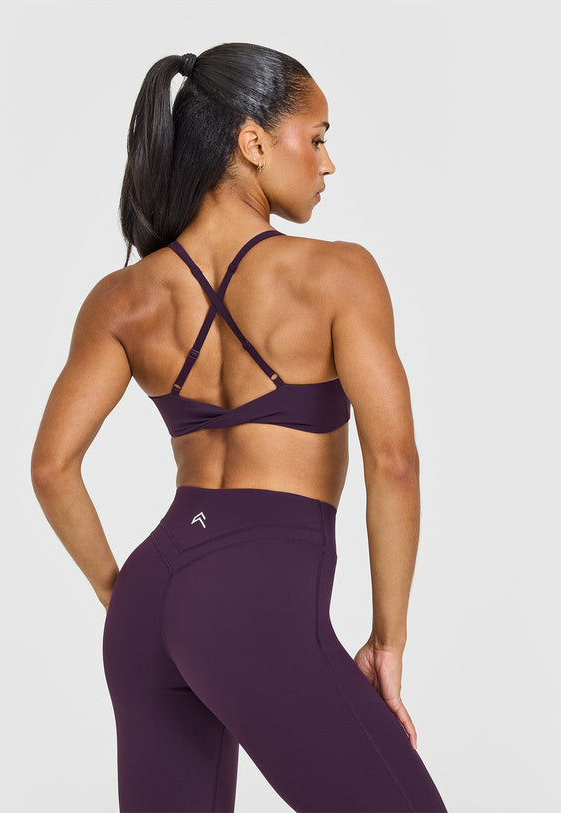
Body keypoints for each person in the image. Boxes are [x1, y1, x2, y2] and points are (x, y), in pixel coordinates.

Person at [31, 42, 448, 813]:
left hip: (154, 592)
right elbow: (395, 463)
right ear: (253, 142)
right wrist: (387, 641)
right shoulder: (339, 274)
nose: (327, 163)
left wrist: (124, 595)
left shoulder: (122, 298)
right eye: (316, 137)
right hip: (255, 596)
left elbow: (52, 468)